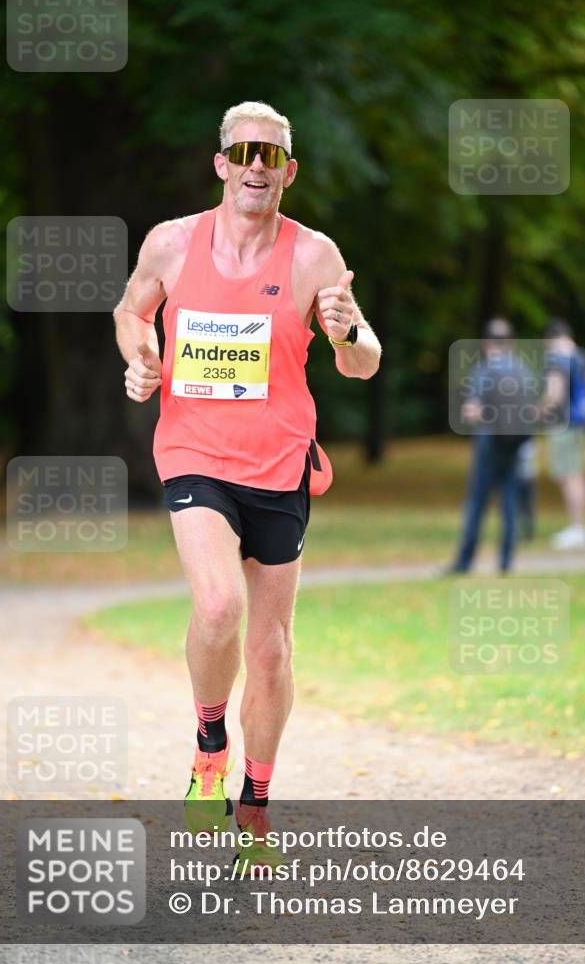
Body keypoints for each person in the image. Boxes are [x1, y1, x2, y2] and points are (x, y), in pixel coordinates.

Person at [113, 102, 381, 862]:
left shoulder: (314, 257)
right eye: (243, 153)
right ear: (222, 165)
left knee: (269, 651)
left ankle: (255, 804)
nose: (256, 165)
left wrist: (347, 332)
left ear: (288, 172)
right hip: (193, 451)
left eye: (270, 154)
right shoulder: (172, 242)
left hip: (280, 465)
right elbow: (131, 310)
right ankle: (209, 746)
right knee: (219, 604)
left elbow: (364, 361)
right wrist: (140, 356)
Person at [447, 318, 535, 574]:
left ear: (486, 343)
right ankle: (506, 562)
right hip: (515, 443)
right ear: (511, 342)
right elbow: (533, 410)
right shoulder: (523, 370)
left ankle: (465, 561)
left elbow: (472, 411)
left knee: (477, 502)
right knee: (509, 500)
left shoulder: (484, 370)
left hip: (489, 441)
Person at [541, 319, 585, 549]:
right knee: (577, 473)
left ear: (549, 339)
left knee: (569, 475)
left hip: (564, 425)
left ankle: (577, 528)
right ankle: (580, 527)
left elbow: (555, 395)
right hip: (582, 424)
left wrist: (537, 411)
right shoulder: (583, 356)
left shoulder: (555, 359)